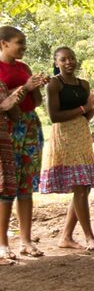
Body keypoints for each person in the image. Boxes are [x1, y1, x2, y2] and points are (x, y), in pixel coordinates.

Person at [39, 47, 94, 250]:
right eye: (64, 59)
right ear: (56, 62)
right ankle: (89, 237)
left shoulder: (83, 84)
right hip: (65, 136)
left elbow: (85, 116)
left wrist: (93, 105)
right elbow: (55, 116)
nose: (69, 62)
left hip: (82, 135)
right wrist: (86, 106)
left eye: (72, 58)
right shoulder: (53, 84)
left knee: (84, 187)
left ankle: (66, 237)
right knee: (80, 186)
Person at [0, 26, 49, 258]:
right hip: (7, 129)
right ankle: (3, 244)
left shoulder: (24, 67)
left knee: (26, 184)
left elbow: (36, 101)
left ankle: (26, 241)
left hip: (30, 124)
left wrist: (37, 87)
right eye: (19, 42)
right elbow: (4, 101)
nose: (23, 47)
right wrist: (25, 87)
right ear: (4, 44)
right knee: (7, 184)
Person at [0, 78, 27, 264]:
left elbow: (15, 116)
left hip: (3, 141)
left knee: (5, 191)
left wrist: (14, 100)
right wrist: (2, 106)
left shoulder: (1, 84)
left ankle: (3, 245)